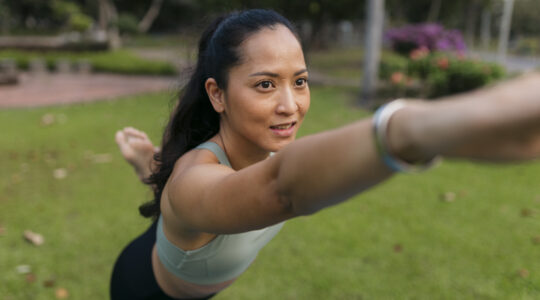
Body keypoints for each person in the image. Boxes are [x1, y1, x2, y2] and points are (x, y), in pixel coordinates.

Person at [110, 9, 540, 300]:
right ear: (217, 94)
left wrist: (468, 139)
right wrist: (414, 129)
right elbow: (281, 190)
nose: (290, 105)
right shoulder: (191, 180)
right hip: (144, 288)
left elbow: (308, 167)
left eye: (299, 81)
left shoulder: (265, 142)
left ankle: (148, 163)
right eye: (265, 84)